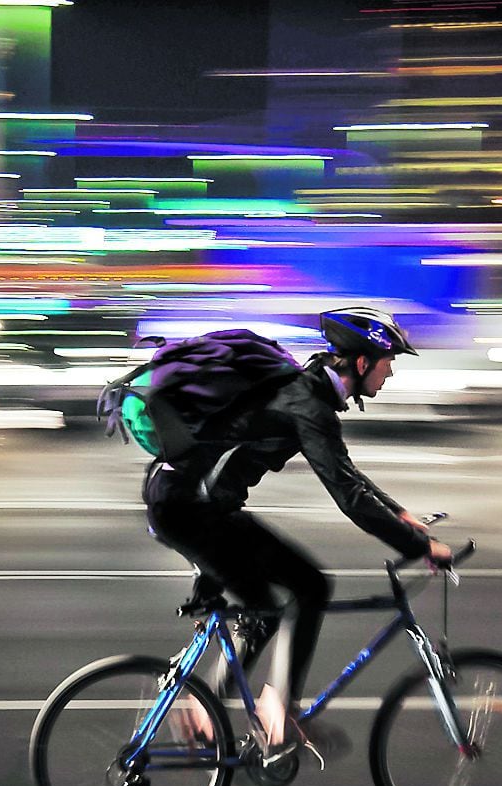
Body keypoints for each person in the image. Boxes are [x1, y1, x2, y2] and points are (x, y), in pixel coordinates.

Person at [144, 307, 454, 757]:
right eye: (389, 362)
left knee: (266, 603)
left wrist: (400, 513)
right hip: (186, 508)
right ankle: (274, 712)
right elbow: (347, 497)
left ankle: (210, 710)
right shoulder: (308, 405)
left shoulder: (303, 393)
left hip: (190, 502)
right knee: (309, 586)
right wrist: (421, 545)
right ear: (362, 362)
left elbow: (344, 473)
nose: (390, 373)